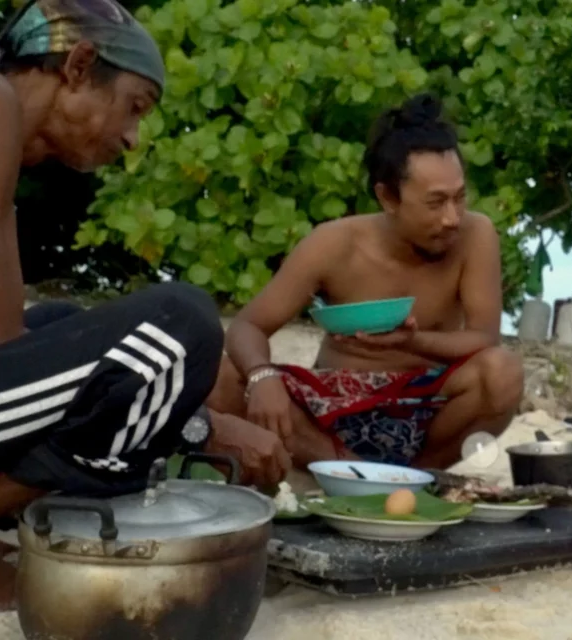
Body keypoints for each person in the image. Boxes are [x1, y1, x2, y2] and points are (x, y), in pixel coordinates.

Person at [0, 0, 287, 618]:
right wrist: (195, 424)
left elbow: (8, 352)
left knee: (56, 324)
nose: (133, 138)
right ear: (79, 65)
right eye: (135, 107)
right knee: (179, 327)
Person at [209, 93, 523, 471]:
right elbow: (247, 326)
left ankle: (416, 478)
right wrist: (262, 376)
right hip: (328, 414)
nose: (452, 217)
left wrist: (414, 340)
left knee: (503, 373)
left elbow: (484, 339)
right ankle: (347, 469)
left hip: (427, 410)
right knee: (217, 375)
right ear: (387, 197)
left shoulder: (476, 235)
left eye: (460, 197)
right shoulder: (333, 244)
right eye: (435, 203)